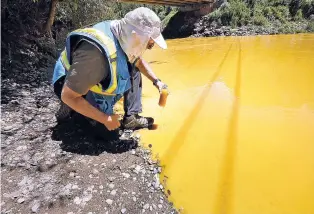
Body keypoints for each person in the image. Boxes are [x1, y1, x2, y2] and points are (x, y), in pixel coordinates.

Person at [52, 7, 169, 132]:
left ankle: (131, 118)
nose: (149, 47)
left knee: (133, 69)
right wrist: (105, 118)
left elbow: (138, 62)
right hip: (70, 83)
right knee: (105, 134)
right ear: (136, 37)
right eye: (149, 44)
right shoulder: (95, 56)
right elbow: (68, 95)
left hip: (89, 75)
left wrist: (157, 82)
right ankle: (72, 110)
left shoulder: (124, 34)